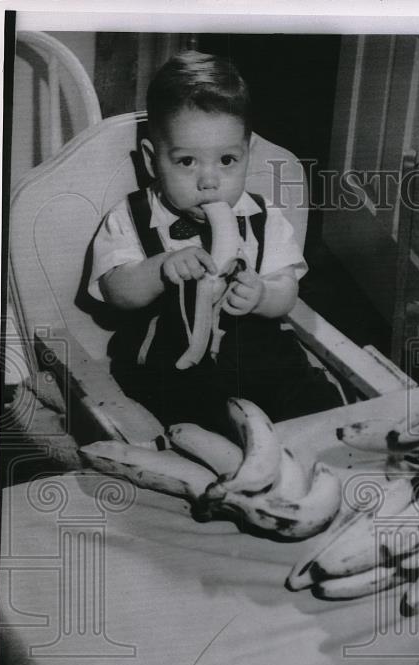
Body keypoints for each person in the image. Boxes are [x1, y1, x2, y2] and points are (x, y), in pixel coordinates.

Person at [89, 50, 342, 434]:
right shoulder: (132, 216)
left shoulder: (264, 216)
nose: (209, 181)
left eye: (227, 160)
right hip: (168, 365)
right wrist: (158, 269)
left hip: (260, 358)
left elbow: (286, 291)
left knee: (312, 398)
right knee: (190, 420)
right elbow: (115, 290)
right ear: (152, 159)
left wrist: (262, 295)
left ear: (248, 155)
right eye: (187, 162)